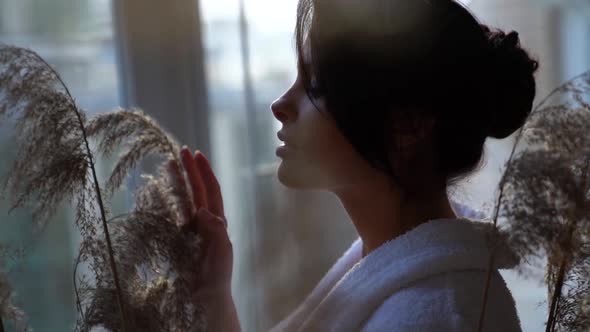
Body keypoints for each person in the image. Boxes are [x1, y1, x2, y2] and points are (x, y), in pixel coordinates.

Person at [178, 0, 539, 330]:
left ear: (408, 125)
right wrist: (215, 296)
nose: (280, 105)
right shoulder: (392, 279)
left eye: (316, 86)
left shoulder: (441, 317)